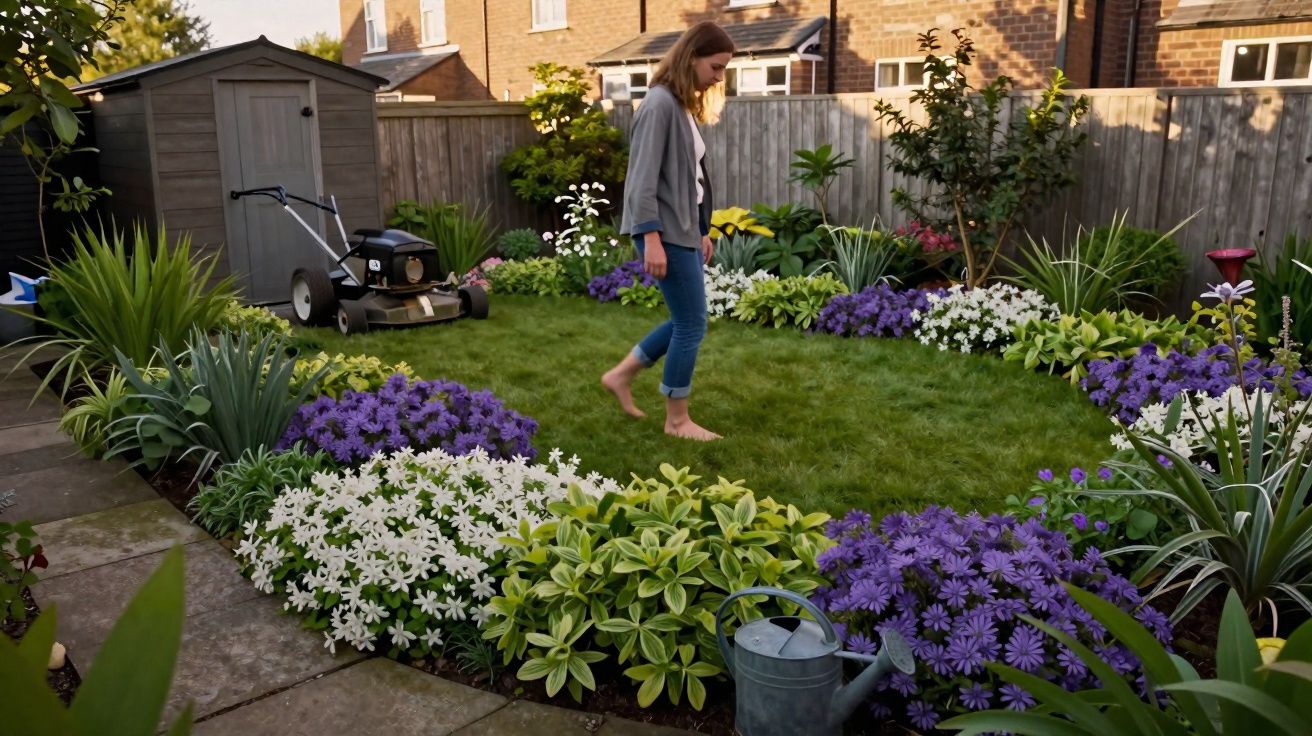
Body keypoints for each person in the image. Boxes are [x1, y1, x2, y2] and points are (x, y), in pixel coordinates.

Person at [601, 21, 733, 442]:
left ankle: (621, 375)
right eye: (715, 67)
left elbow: (689, 177)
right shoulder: (657, 104)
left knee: (684, 320)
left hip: (684, 230)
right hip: (663, 232)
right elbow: (640, 182)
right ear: (691, 56)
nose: (719, 77)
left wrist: (702, 230)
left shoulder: (679, 106)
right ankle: (677, 421)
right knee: (693, 324)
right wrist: (651, 238)